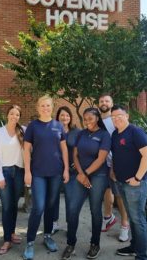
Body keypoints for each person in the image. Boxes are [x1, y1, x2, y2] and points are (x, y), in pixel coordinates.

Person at [23, 95, 69, 260]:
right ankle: (29, 242)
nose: (45, 108)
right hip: (38, 173)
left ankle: (47, 236)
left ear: (52, 107)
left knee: (51, 206)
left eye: (48, 105)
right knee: (38, 207)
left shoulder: (58, 126)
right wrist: (27, 172)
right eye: (42, 105)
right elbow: (26, 150)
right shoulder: (33, 126)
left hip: (55, 173)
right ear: (38, 107)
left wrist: (66, 170)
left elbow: (64, 150)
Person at [61, 108, 111, 260]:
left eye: (90, 118)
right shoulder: (81, 133)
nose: (87, 121)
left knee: (95, 210)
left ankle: (95, 244)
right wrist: (81, 174)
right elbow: (75, 155)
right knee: (72, 208)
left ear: (97, 118)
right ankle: (71, 244)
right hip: (81, 176)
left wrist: (86, 174)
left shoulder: (104, 135)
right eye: (84, 118)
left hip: (98, 177)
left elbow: (101, 159)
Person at [110, 105, 147, 260]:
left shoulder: (135, 132)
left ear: (126, 115)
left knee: (138, 219)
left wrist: (137, 178)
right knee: (132, 218)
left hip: (135, 184)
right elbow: (115, 155)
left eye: (119, 115)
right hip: (121, 182)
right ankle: (134, 246)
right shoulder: (115, 134)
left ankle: (142, 256)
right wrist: (113, 171)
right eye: (113, 117)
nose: (116, 119)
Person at [0, 105, 25, 255]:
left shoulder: (23, 130)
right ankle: (6, 240)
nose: (14, 116)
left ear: (19, 116)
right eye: (12, 113)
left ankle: (11, 234)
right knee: (6, 207)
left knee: (14, 205)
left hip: (19, 172)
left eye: (17, 114)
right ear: (7, 115)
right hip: (5, 172)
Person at [98, 94, 130, 242]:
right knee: (106, 190)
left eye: (107, 101)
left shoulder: (116, 120)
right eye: (101, 101)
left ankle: (124, 225)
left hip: (116, 163)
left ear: (112, 103)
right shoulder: (98, 120)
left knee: (119, 195)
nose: (104, 103)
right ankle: (108, 217)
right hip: (102, 163)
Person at [52, 106, 81, 234]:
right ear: (57, 116)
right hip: (55, 170)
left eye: (67, 115)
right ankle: (53, 223)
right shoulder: (52, 130)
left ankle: (71, 225)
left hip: (72, 172)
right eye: (62, 115)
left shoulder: (76, 132)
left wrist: (77, 164)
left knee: (71, 199)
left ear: (70, 117)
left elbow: (81, 150)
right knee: (53, 198)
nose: (65, 117)